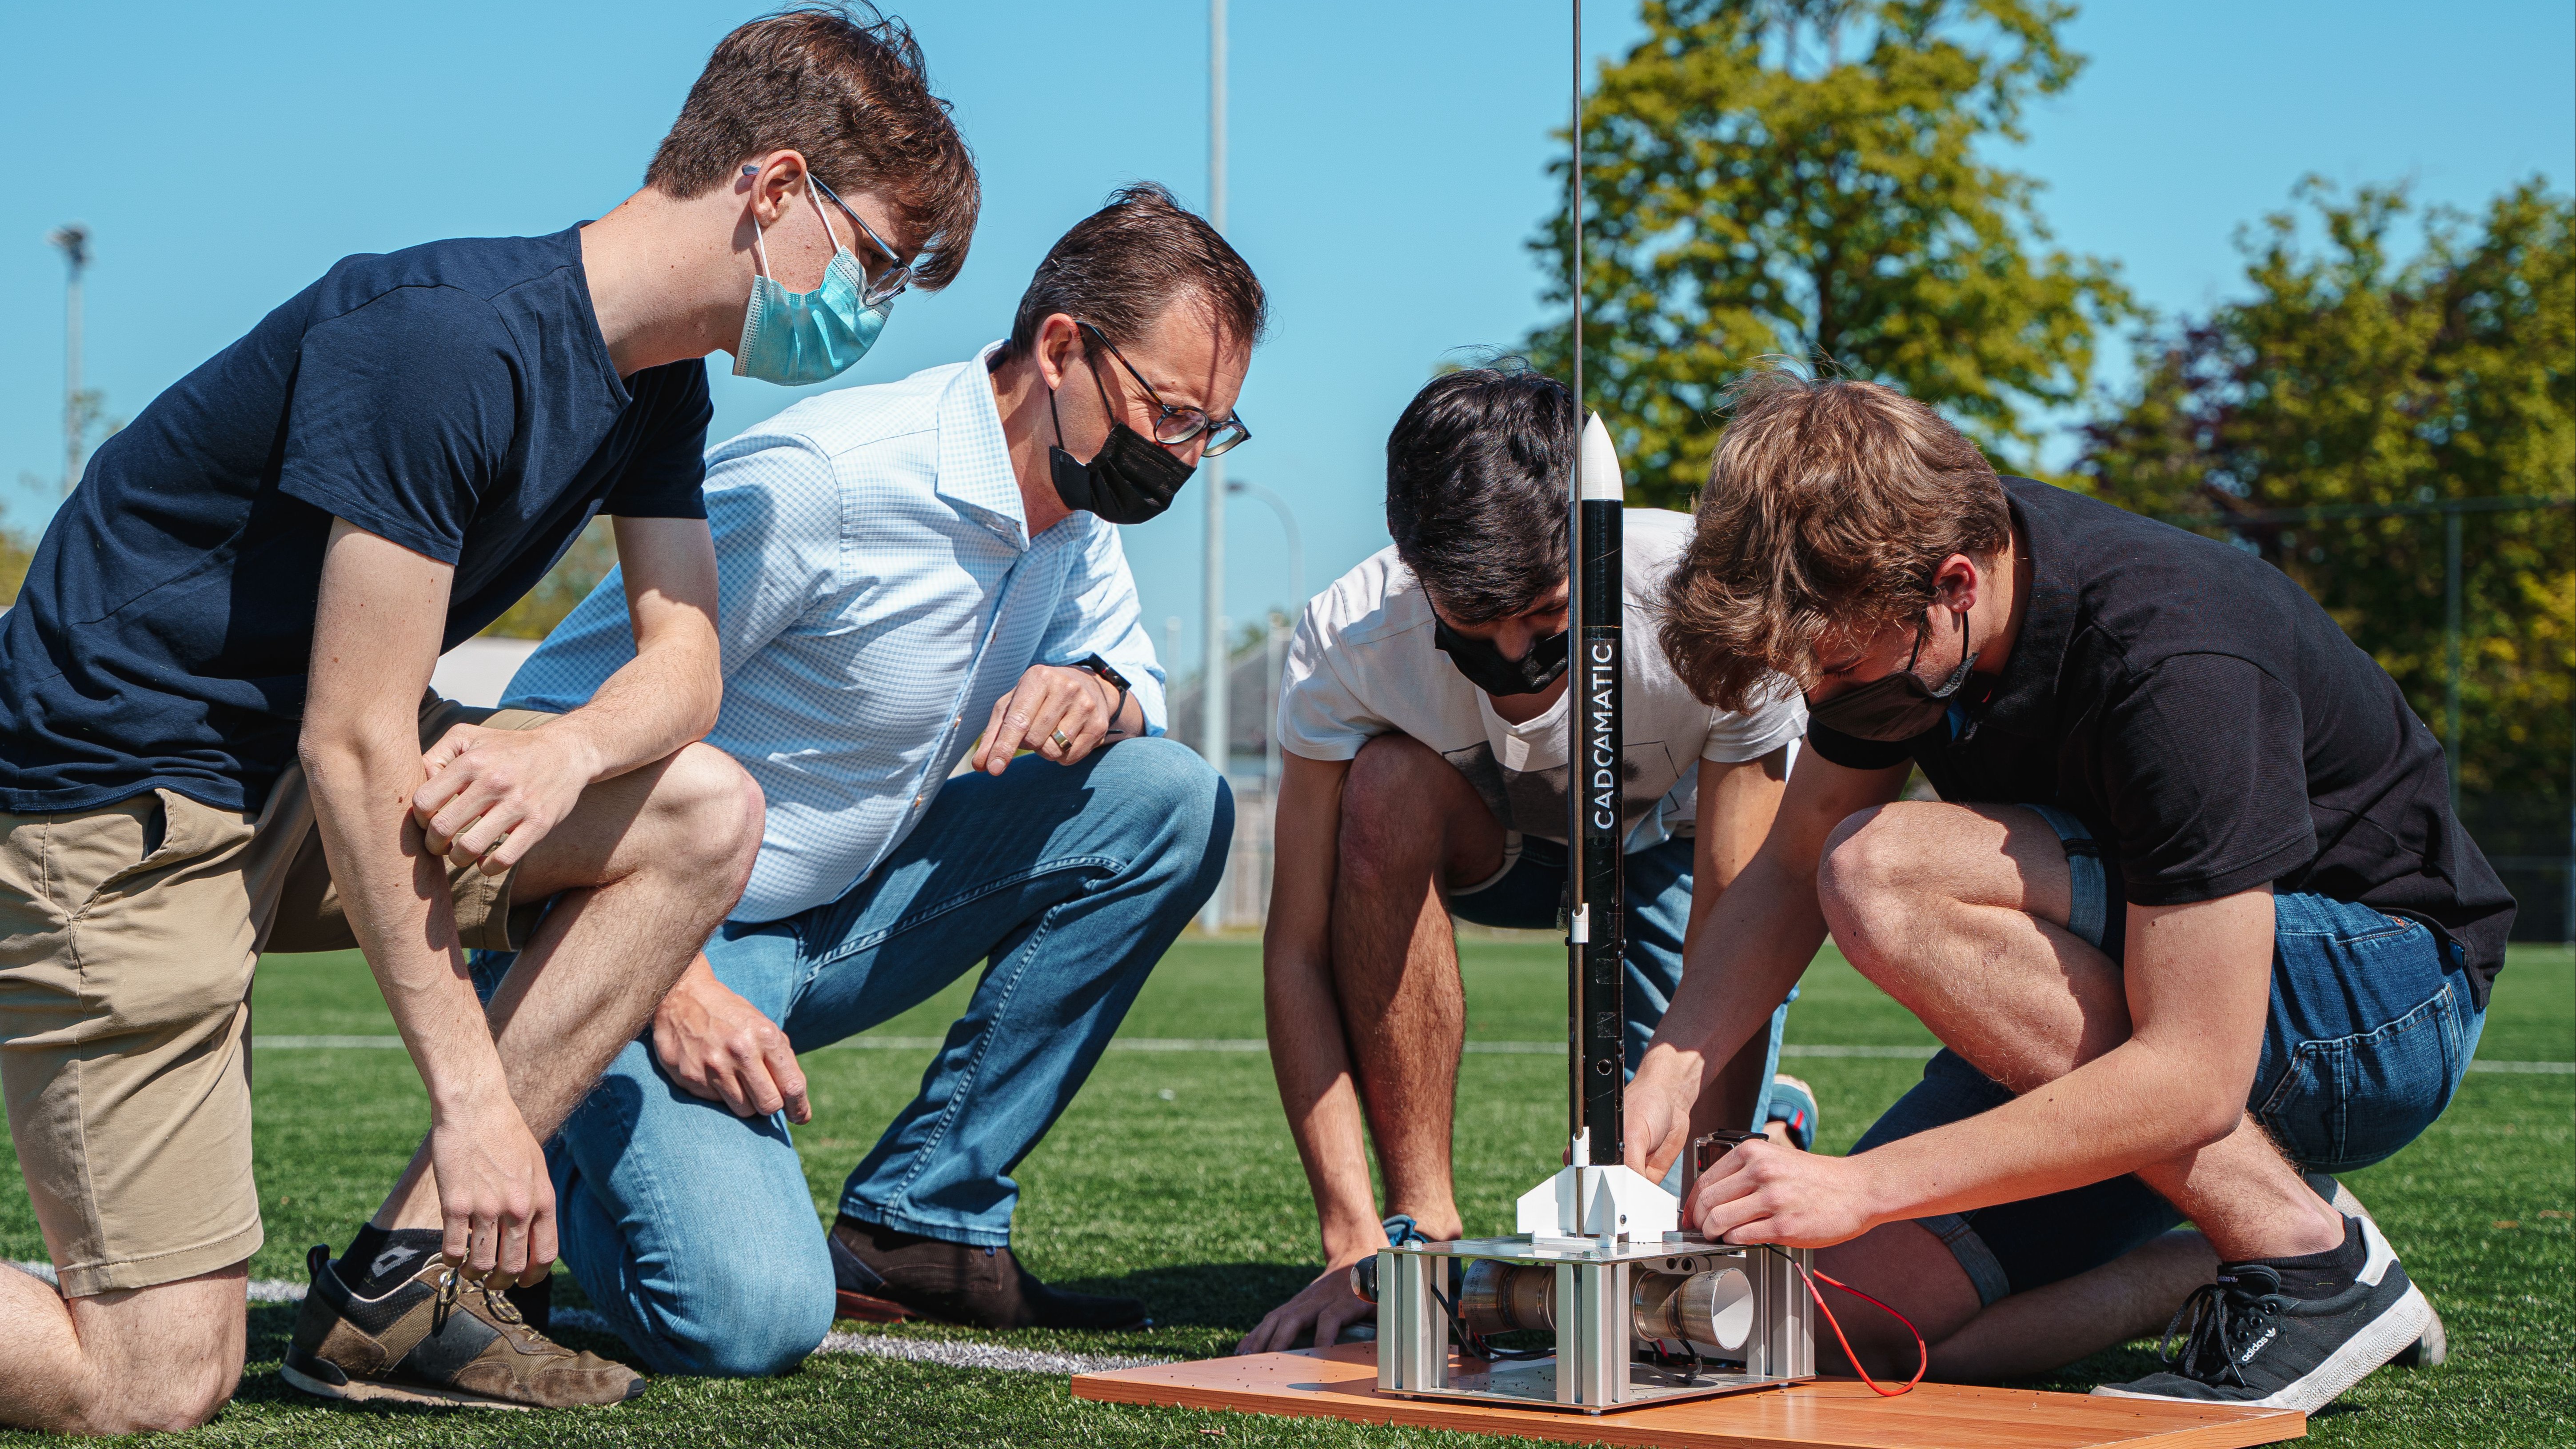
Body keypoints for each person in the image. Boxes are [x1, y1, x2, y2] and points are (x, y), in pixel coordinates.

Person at [0, 6, 978, 1429]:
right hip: (121, 799)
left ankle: (394, 1294)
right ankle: (411, 1220)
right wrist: (473, 1099)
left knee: (700, 810)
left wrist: (564, 747)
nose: (872, 310)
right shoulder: (447, 344)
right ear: (773, 191)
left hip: (288, 774)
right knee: (149, 1380)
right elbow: (354, 737)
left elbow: (684, 664)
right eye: (878, 261)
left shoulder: (657, 384)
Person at [486, 182, 1259, 1377]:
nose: (1187, 457)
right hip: (640, 928)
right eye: (1171, 414)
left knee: (1166, 796)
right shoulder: (825, 483)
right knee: (748, 1319)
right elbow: (543, 718)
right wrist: (672, 980)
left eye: (1213, 429)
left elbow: (1141, 678)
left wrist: (1104, 693)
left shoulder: (1073, 514)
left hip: (832, 915)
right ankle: (539, 1165)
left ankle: (919, 1221)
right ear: (1060, 349)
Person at [1627, 372, 2508, 1413]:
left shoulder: (2173, 657)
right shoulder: (1903, 616)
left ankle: (2308, 1263)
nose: (1827, 704)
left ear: (1956, 584)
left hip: (2380, 1000)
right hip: (2148, 991)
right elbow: (1784, 867)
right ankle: (2221, 1248)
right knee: (1820, 1324)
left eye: (1840, 670)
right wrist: (1672, 1068)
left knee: (1882, 872)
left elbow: (2190, 1074)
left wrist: (1861, 1187)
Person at [1235, 368, 1812, 1356]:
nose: (1513, 658)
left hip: (1668, 856)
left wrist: (1695, 1215)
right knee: (1385, 784)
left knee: (1676, 1211)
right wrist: (1351, 1237)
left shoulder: (1707, 603)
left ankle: (1771, 1121)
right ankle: (1428, 1222)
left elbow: (1743, 907)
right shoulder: (1349, 639)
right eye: (1474, 627)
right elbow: (1295, 947)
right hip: (1493, 846)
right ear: (1418, 572)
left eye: (1545, 622)